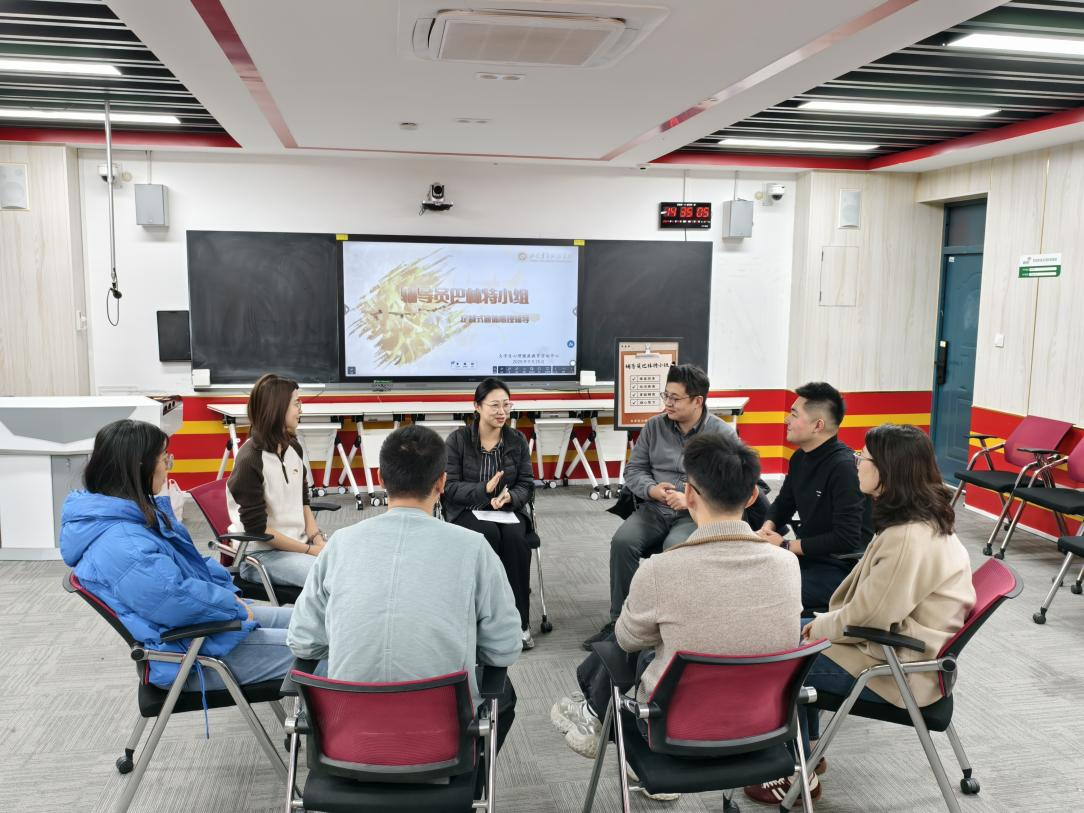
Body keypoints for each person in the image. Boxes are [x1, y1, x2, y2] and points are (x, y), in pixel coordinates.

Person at [553, 434, 802, 800]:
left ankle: (592, 710)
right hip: (764, 727)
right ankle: (591, 709)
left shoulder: (661, 569)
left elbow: (626, 640)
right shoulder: (787, 565)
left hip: (673, 732)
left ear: (689, 495)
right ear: (752, 497)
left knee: (636, 645)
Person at [745, 424, 976, 805]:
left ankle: (796, 773)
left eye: (862, 458)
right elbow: (873, 610)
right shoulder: (921, 520)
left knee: (776, 660)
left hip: (896, 666)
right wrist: (816, 626)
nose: (856, 464)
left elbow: (867, 619)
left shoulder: (907, 537)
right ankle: (808, 750)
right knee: (782, 633)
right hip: (903, 650)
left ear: (887, 470)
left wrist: (817, 626)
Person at [287, 424, 522, 750]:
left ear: (381, 479)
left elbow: (303, 643)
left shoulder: (340, 544)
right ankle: (469, 778)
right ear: (441, 482)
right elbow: (504, 648)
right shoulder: (474, 549)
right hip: (442, 740)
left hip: (348, 740)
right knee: (503, 694)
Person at [60, 419, 294, 693]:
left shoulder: (129, 517)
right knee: (325, 649)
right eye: (164, 458)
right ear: (139, 465)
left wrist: (227, 595)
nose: (168, 466)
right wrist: (233, 605)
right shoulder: (125, 543)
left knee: (314, 623)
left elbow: (189, 569)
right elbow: (176, 600)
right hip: (191, 657)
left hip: (205, 632)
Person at [582, 364, 737, 650]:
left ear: (697, 401)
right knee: (622, 542)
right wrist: (651, 489)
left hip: (694, 516)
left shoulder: (721, 434)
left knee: (673, 550)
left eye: (675, 398)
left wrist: (692, 498)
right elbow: (634, 470)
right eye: (665, 395)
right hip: (654, 508)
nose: (667, 403)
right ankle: (620, 623)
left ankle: (666, 626)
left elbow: (732, 483)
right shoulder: (654, 426)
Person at [757, 381, 873, 612]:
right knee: (748, 579)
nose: (786, 420)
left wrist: (786, 545)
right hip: (804, 556)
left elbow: (847, 539)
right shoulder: (800, 458)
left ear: (818, 425)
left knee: (766, 593)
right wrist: (766, 528)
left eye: (794, 414)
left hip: (838, 567)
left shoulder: (843, 468)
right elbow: (784, 503)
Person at [444, 378, 536, 649]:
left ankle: (519, 622)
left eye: (506, 405)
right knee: (486, 536)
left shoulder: (517, 440)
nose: (501, 412)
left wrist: (511, 497)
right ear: (477, 407)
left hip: (507, 510)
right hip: (467, 510)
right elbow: (449, 487)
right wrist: (484, 490)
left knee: (517, 540)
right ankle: (482, 621)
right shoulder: (458, 440)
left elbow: (526, 484)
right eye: (494, 405)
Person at [226, 373, 326, 588]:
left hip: (299, 546)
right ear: (277, 409)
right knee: (328, 577)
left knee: (350, 562)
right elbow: (258, 530)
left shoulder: (293, 448)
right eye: (296, 404)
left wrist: (318, 540)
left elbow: (303, 502)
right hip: (261, 556)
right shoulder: (249, 461)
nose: (301, 410)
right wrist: (311, 551)